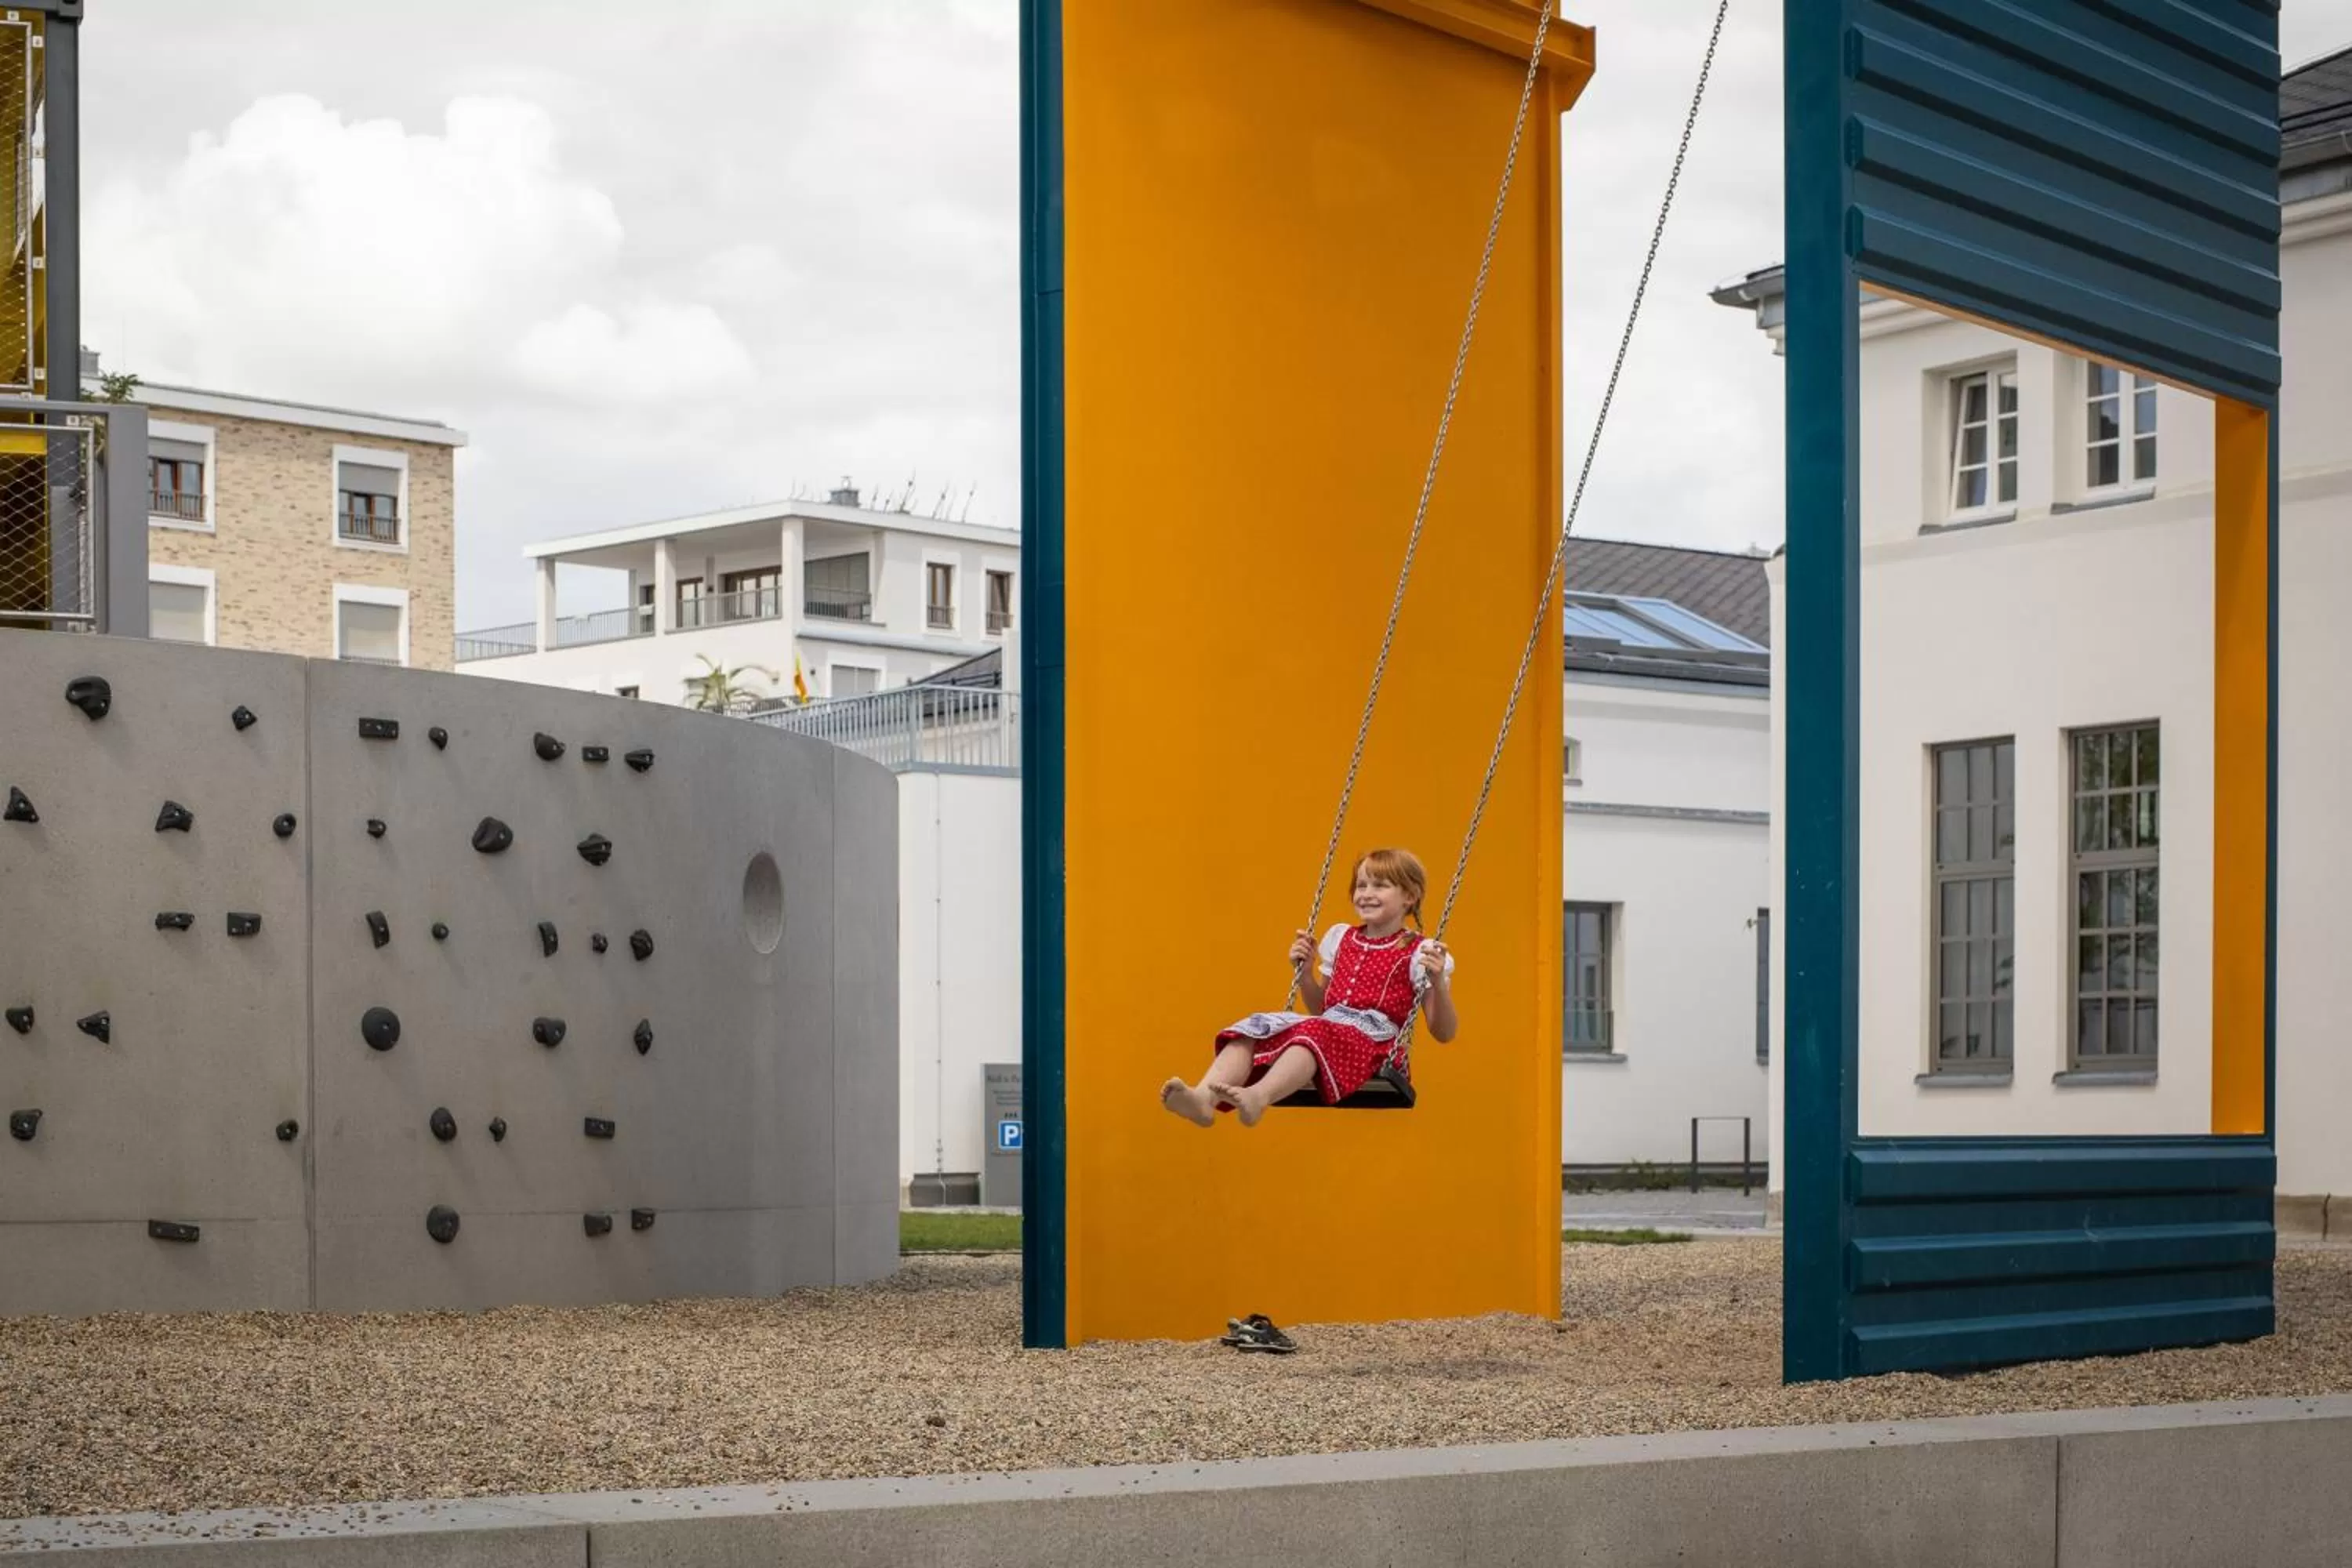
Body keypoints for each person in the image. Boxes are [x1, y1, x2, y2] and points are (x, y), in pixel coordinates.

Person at [1160, 848, 1456, 1126]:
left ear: (1410, 896)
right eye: (1361, 885)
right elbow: (1321, 1009)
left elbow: (1443, 1033)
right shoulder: (1340, 938)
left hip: (1374, 1044)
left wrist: (1438, 984)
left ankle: (1258, 1095)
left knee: (1313, 1032)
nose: (1366, 894)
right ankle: (1203, 1099)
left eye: (1380, 886)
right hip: (1330, 1029)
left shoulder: (1421, 953)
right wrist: (1305, 975)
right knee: (1256, 1026)